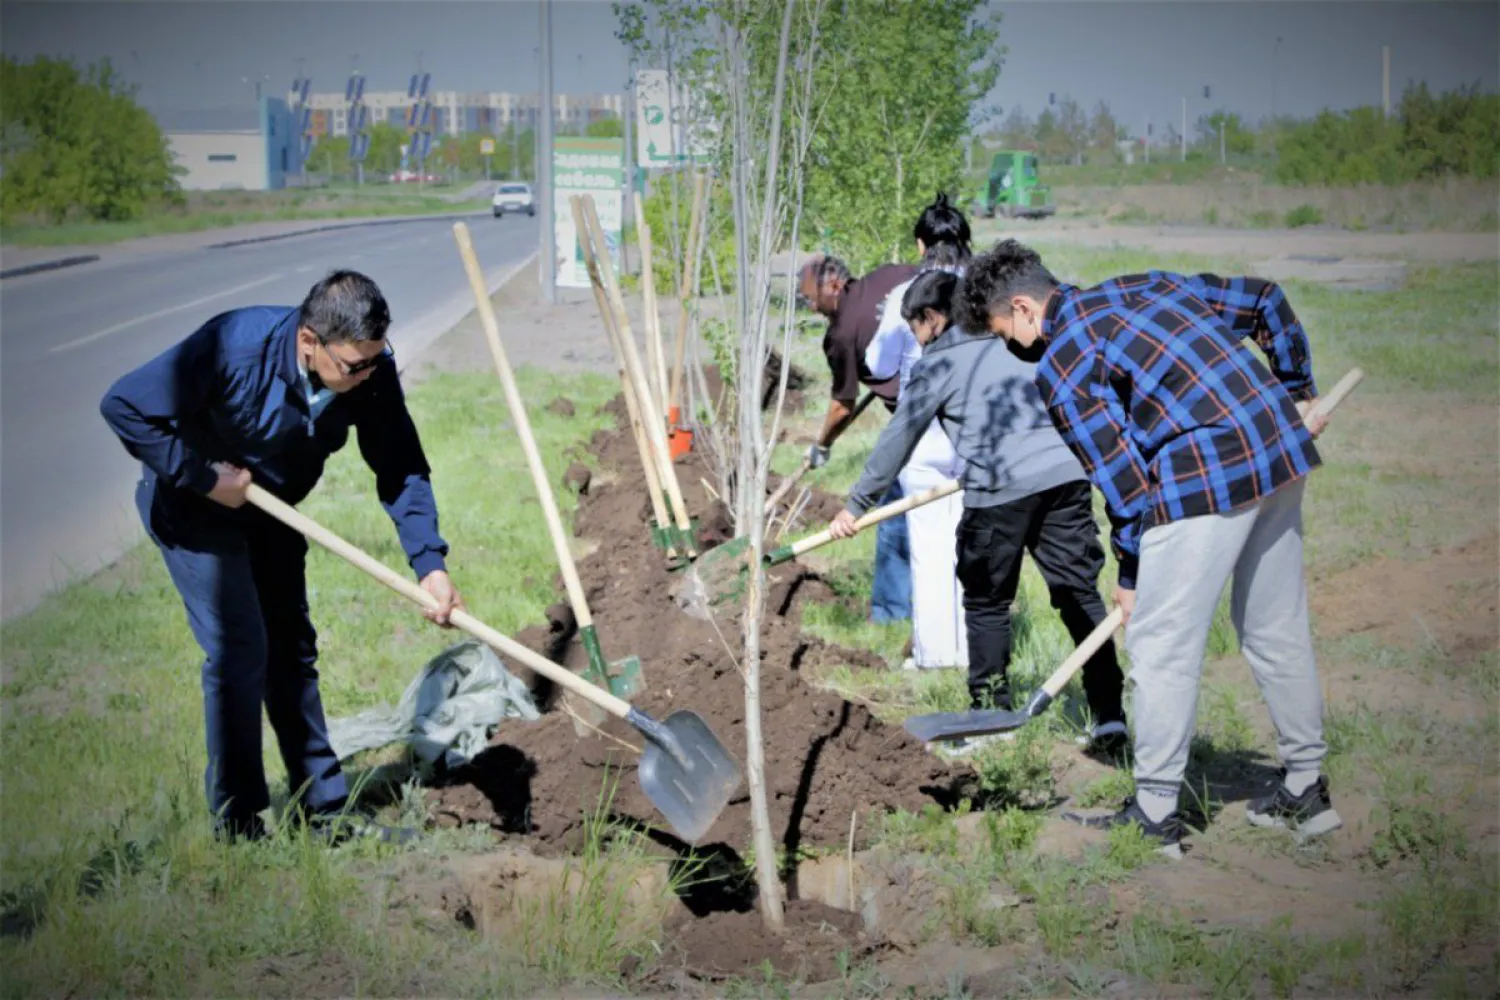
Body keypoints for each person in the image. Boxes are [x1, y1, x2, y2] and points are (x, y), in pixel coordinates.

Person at [956, 238, 1342, 857]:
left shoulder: (1063, 367)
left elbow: (1127, 486)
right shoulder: (1143, 285)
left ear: (1024, 308)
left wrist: (1133, 576)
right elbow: (1266, 300)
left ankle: (1157, 812)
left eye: (1005, 331)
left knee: (1160, 645)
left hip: (1205, 477)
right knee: (1274, 627)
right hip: (1277, 450)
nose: (1012, 347)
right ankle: (1306, 788)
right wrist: (1297, 394)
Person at [100, 270, 464, 845]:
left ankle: (323, 812)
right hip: (195, 507)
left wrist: (430, 564)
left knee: (291, 651)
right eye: (354, 365)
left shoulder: (367, 369)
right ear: (308, 342)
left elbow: (401, 466)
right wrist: (200, 476)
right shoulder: (232, 347)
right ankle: (240, 824)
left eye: (377, 358)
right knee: (240, 651)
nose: (368, 373)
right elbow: (123, 405)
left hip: (272, 508)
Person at [830, 270, 1125, 754]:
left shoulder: (936, 365)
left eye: (915, 329)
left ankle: (989, 718)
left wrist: (856, 506)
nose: (917, 341)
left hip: (999, 491)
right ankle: (1110, 716)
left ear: (932, 318)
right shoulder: (1012, 336)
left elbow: (898, 438)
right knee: (1078, 594)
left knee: (987, 602)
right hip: (1066, 477)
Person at [858, 192, 974, 671]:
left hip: (925, 434)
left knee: (929, 548)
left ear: (920, 243)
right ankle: (973, 651)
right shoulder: (982, 290)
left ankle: (935, 655)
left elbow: (876, 363)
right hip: (975, 428)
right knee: (971, 544)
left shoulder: (907, 297)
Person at [798, 252, 920, 623]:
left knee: (894, 521)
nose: (811, 306)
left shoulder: (839, 334)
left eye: (810, 297)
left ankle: (890, 616)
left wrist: (822, 444)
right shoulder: (890, 274)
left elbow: (841, 407)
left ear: (833, 285)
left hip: (918, 418)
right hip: (952, 399)